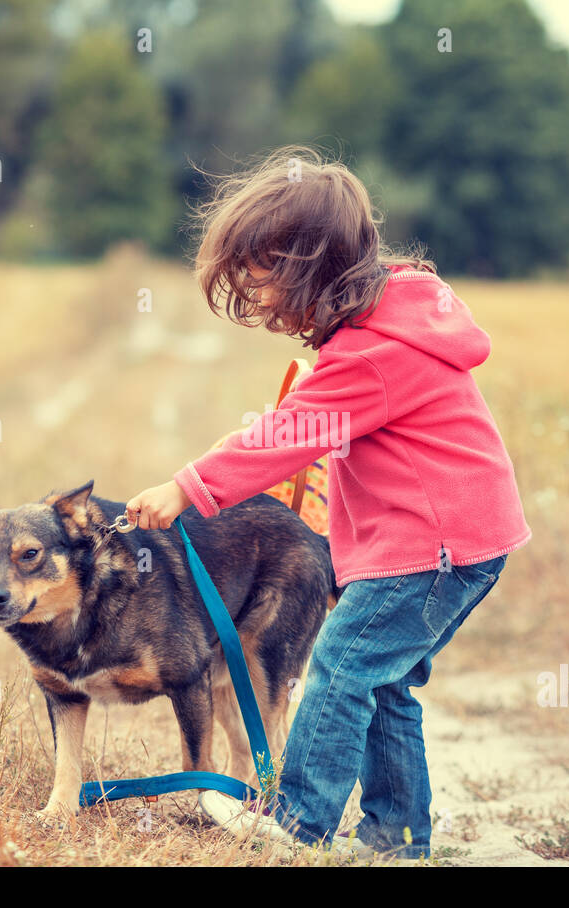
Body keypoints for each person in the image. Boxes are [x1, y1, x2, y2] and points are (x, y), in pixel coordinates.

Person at [124, 145, 532, 860]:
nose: (259, 302)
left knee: (344, 665)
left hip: (433, 551)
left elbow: (284, 436)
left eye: (264, 283)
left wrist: (186, 488)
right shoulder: (390, 320)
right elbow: (309, 431)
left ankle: (299, 822)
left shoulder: (372, 355)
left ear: (311, 269)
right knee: (386, 685)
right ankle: (396, 840)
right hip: (458, 541)